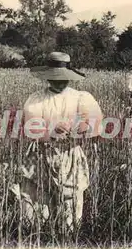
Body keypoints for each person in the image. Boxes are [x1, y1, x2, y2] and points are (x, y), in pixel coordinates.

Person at [20, 52, 104, 230]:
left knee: (70, 198)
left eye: (62, 79)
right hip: (40, 153)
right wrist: (51, 131)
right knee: (37, 196)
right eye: (54, 79)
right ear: (47, 78)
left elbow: (94, 124)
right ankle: (37, 235)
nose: (59, 82)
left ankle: (67, 236)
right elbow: (31, 128)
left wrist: (78, 127)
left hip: (70, 153)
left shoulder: (81, 97)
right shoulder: (36, 99)